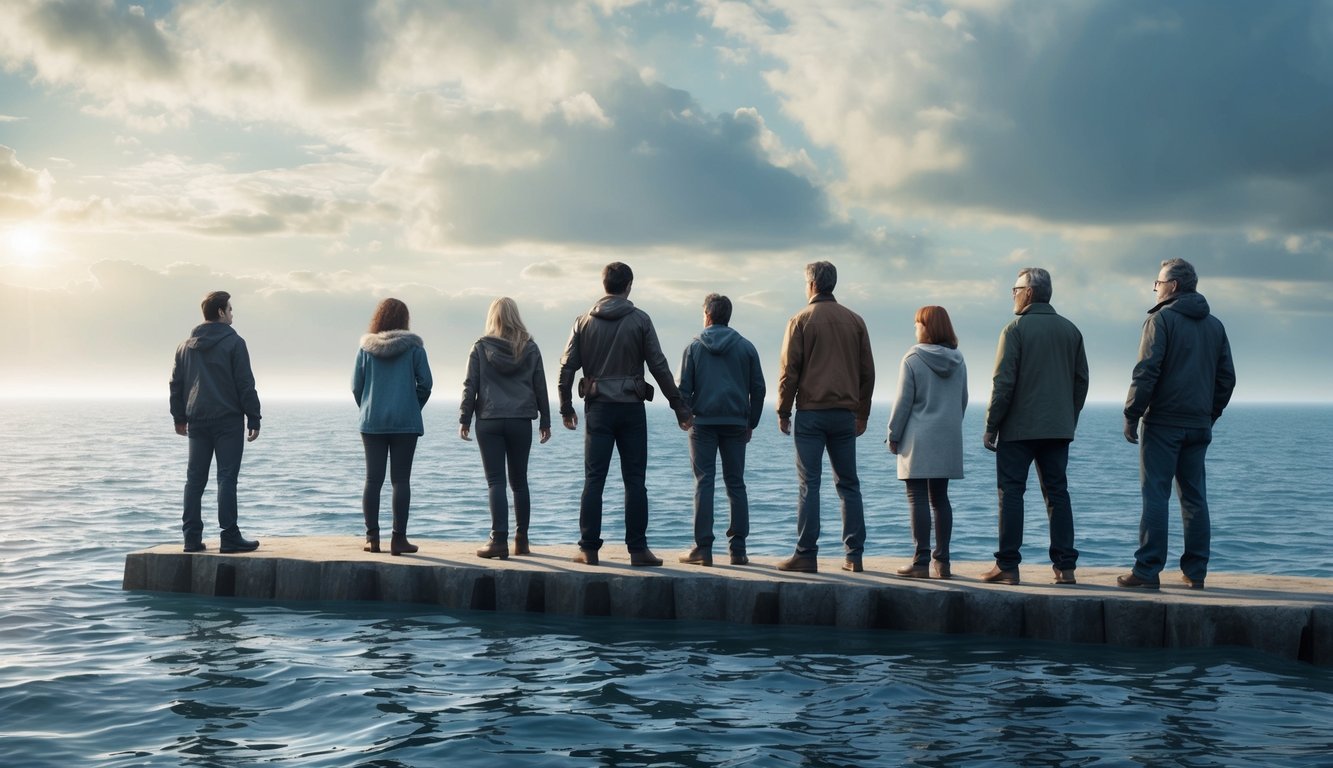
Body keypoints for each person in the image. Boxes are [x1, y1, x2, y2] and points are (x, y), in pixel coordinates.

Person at [558, 262, 692, 566]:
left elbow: (567, 367)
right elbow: (658, 365)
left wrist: (566, 407)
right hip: (631, 408)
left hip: (599, 409)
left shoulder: (582, 322)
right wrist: (679, 407)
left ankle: (588, 549)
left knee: (594, 480)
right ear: (628, 285)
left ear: (604, 284)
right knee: (635, 481)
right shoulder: (640, 320)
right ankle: (638, 550)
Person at [1118, 259, 1236, 590]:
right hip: (1199, 424)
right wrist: (1209, 414)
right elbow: (1227, 378)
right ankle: (1195, 573)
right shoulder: (1215, 325)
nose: (1155, 289)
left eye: (1157, 283)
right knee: (1195, 497)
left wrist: (1131, 413)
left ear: (1173, 287)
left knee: (1155, 494)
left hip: (1164, 423)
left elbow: (1147, 370)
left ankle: (1146, 571)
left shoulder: (1161, 320)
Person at [982, 267, 1089, 585]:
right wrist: (1067, 417)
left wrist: (991, 425)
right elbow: (1081, 381)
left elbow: (1003, 382)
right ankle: (1065, 567)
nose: (1013, 295)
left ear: (1029, 292)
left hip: (1018, 429)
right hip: (1058, 427)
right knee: (1058, 494)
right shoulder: (1071, 330)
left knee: (1011, 494)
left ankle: (1008, 566)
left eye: (1015, 289)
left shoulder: (1014, 329)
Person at [775, 261, 876, 574]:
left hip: (811, 415)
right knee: (849, 485)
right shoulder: (855, 321)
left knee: (810, 486)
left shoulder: (800, 320)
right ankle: (854, 555)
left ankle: (806, 554)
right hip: (845, 416)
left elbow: (788, 372)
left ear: (811, 285)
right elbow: (867, 373)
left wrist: (783, 410)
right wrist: (862, 413)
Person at [169, 290, 262, 554]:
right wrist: (253, 416)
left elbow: (176, 384)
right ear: (221, 312)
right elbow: (245, 383)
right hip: (228, 420)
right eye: (230, 309)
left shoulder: (184, 346)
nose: (233, 313)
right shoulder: (235, 343)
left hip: (196, 420)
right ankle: (229, 537)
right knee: (226, 478)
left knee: (194, 480)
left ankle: (191, 538)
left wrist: (179, 417)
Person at [676, 293, 766, 567]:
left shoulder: (693, 347)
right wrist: (752, 422)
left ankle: (702, 549)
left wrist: (686, 415)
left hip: (702, 424)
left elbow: (683, 390)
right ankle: (738, 550)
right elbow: (758, 389)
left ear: (708, 315)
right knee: (736, 484)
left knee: (704, 482)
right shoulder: (746, 348)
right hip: (736, 424)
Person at [460, 297, 553, 560]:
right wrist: (545, 421)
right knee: (519, 482)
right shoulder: (530, 348)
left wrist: (464, 419)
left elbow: (470, 384)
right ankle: (521, 540)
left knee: (496, 482)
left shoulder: (480, 347)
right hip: (520, 419)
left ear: (493, 317)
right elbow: (540, 386)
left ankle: (498, 540)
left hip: (489, 420)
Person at [887, 306, 967, 580]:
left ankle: (920, 562)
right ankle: (942, 563)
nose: (915, 328)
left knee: (917, 497)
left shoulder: (912, 358)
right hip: (947, 435)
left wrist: (893, 434)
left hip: (918, 437)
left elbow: (903, 402)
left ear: (928, 328)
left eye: (918, 323)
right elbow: (963, 400)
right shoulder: (959, 360)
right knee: (940, 498)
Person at [352, 298, 433, 556]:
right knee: (401, 481)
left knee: (372, 480)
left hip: (372, 421)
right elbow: (426, 384)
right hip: (405, 423)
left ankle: (372, 539)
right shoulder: (414, 349)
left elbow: (356, 386)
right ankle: (399, 540)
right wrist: (411, 405)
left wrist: (368, 407)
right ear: (404, 320)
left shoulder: (365, 349)